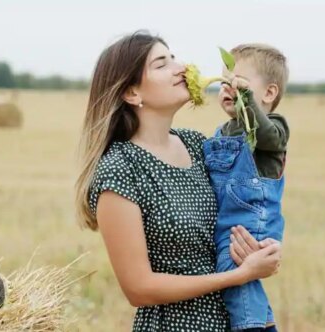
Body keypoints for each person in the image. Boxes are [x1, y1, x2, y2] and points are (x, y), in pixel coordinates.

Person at [74, 31, 282, 331]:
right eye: (161, 63)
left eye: (174, 57)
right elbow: (139, 289)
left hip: (238, 321)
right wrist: (239, 275)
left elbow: (244, 206)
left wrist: (263, 246)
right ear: (132, 93)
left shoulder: (199, 145)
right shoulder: (120, 169)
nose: (180, 67)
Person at [207, 43, 290, 331]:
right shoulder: (220, 133)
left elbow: (265, 133)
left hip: (253, 225)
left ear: (268, 93)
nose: (228, 88)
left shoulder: (274, 129)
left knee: (238, 277)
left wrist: (246, 101)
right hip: (227, 226)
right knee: (241, 283)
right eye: (224, 82)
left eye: (239, 82)